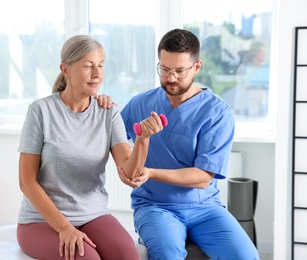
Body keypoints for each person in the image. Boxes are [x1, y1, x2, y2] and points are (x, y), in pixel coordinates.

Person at [16, 35, 164, 260]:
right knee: (89, 258)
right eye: (88, 66)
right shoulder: (41, 111)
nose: (97, 73)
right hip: (41, 220)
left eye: (101, 65)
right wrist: (65, 228)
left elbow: (129, 175)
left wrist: (142, 140)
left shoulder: (108, 112)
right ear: (65, 69)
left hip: (93, 215)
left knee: (128, 256)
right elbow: (27, 182)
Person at [119, 29, 260, 259]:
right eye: (164, 69)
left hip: (205, 209)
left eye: (179, 71)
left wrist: (150, 173)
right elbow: (110, 135)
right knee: (167, 253)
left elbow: (203, 178)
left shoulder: (216, 112)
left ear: (196, 66)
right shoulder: (140, 104)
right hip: (155, 206)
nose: (171, 78)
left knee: (246, 256)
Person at [233, 41, 270, 118]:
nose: (265, 55)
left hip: (260, 111)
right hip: (243, 110)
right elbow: (244, 86)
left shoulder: (266, 69)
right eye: (262, 52)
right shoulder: (243, 68)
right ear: (256, 53)